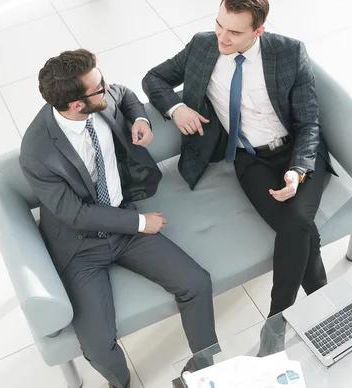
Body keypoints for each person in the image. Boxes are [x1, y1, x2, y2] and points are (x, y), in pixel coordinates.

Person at [20, 49, 218, 388]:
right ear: (76, 105)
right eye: (99, 86)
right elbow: (75, 214)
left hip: (123, 221)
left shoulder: (100, 96)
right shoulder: (37, 153)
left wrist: (139, 118)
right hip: (80, 247)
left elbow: (124, 94)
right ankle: (120, 384)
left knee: (197, 283)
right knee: (98, 346)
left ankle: (202, 374)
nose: (107, 86)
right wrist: (141, 224)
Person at [142, 0, 337, 345]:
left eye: (234, 32)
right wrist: (177, 108)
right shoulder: (203, 45)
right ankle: (323, 304)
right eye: (219, 24)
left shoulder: (289, 52)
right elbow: (153, 78)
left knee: (296, 223)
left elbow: (309, 123)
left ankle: (276, 322)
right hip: (249, 158)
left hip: (298, 152)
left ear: (258, 30)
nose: (222, 37)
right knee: (300, 227)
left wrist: (297, 171)